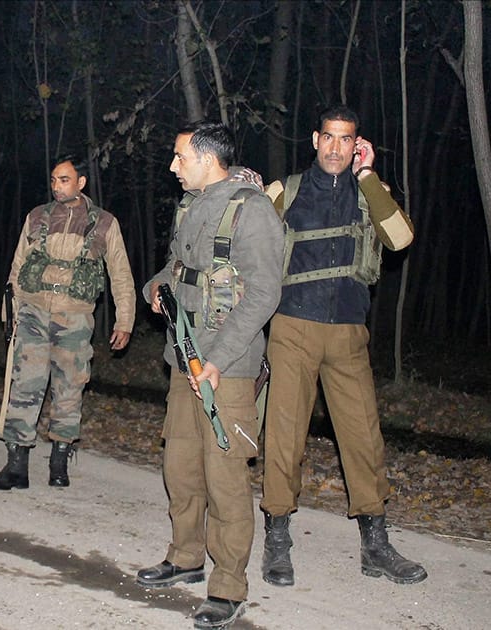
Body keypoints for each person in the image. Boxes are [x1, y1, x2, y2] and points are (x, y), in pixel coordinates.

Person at [259, 105, 425, 586]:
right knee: (284, 436)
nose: (335, 147)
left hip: (349, 331)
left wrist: (369, 176)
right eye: (328, 137)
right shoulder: (284, 191)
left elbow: (399, 239)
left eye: (345, 139)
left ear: (357, 144)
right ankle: (277, 537)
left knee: (363, 436)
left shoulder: (369, 192)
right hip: (292, 327)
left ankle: (376, 543)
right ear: (315, 139)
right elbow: (246, 238)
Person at [137, 122, 283, 629]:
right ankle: (186, 557)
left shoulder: (252, 210)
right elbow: (177, 267)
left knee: (225, 480)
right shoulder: (192, 205)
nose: (173, 167)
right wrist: (154, 286)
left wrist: (217, 360)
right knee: (180, 466)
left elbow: (264, 294)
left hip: (228, 368)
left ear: (206, 158)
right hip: (183, 358)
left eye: (179, 157)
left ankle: (229, 586)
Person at [0, 154, 135, 491]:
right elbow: (17, 265)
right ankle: (16, 467)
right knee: (25, 386)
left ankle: (59, 464)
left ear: (81, 182)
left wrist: (124, 320)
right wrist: (10, 313)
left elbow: (121, 275)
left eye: (64, 179)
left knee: (70, 387)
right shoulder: (37, 217)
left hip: (75, 315)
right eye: (53, 180)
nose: (57, 186)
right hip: (34, 311)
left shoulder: (104, 223)